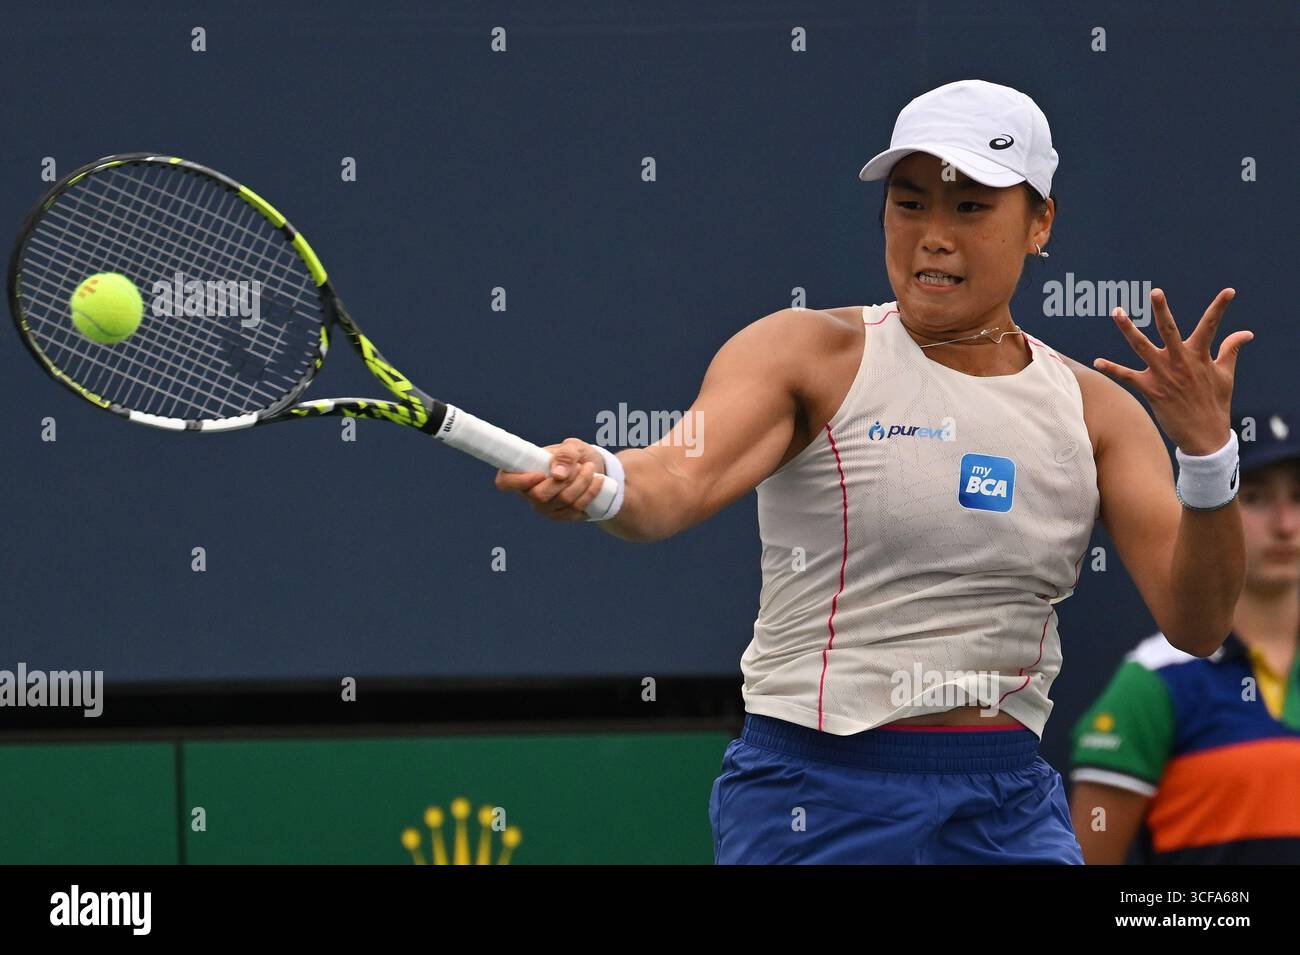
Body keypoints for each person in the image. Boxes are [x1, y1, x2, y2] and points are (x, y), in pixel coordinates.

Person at [495, 79, 1252, 863]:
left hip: (1007, 809)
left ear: (1040, 223)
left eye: (970, 207)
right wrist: (604, 480)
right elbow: (671, 482)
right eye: (909, 204)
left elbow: (1197, 625)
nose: (933, 237)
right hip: (815, 797)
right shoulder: (806, 353)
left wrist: (1207, 456)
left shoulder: (1097, 412)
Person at [1070, 408, 1300, 864]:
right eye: (1255, 497)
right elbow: (1089, 856)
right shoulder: (1153, 681)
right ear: (1214, 510)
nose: (1285, 525)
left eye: (1298, 497)